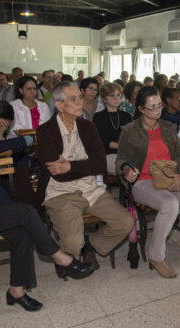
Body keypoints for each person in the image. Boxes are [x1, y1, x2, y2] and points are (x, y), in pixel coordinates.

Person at [0, 104, 93, 312]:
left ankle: (16, 291)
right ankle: (60, 258)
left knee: (22, 233)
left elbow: (7, 146)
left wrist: (33, 138)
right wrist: (16, 212)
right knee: (25, 213)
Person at [37, 81, 133, 269]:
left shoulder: (88, 127)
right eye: (72, 99)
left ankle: (91, 244)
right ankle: (66, 257)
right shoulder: (45, 132)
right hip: (61, 193)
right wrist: (84, 166)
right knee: (73, 244)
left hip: (90, 189)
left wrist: (70, 166)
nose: (79, 102)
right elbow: (58, 175)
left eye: (79, 97)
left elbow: (100, 164)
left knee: (126, 222)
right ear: (59, 105)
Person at [116, 86, 180, 278]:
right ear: (140, 109)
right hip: (143, 181)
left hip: (169, 177)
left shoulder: (167, 127)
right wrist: (126, 169)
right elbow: (121, 159)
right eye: (152, 107)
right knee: (170, 204)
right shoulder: (130, 130)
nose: (158, 110)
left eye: (159, 105)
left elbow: (179, 156)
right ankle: (156, 256)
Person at [93, 83, 132, 175]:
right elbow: (103, 141)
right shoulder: (98, 117)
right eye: (112, 96)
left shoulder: (126, 116)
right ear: (104, 99)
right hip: (108, 154)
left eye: (118, 95)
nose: (116, 98)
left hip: (127, 153)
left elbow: (132, 137)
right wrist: (123, 146)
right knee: (127, 167)